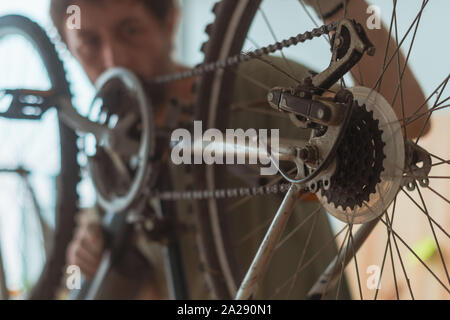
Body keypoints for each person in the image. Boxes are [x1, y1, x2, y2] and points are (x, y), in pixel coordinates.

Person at [50, 0, 429, 299]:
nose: (114, 60)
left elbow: (408, 121)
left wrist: (337, 5)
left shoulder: (254, 86)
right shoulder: (115, 155)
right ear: (70, 49)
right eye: (89, 44)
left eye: (129, 31)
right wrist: (93, 248)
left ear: (168, 23)